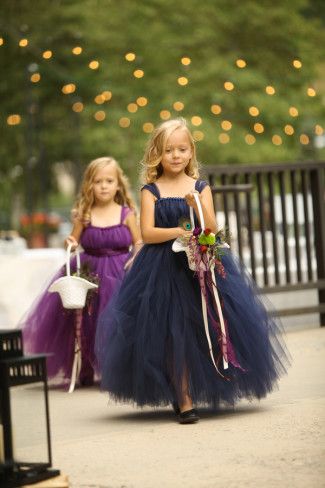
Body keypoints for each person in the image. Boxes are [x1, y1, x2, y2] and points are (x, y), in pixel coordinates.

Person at [95, 119, 288, 423]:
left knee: (203, 326)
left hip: (197, 264)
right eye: (168, 150)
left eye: (181, 149)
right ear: (157, 154)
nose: (175, 155)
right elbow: (148, 232)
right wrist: (180, 231)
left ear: (190, 152)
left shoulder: (200, 187)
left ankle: (199, 385)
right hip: (161, 269)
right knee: (172, 330)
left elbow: (210, 226)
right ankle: (183, 397)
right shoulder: (151, 190)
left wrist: (196, 205)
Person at [20, 156, 141, 387]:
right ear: (89, 185)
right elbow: (73, 241)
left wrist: (136, 256)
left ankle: (117, 369)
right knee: (85, 321)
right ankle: (84, 367)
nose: (104, 186)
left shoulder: (127, 213)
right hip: (89, 270)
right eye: (98, 181)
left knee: (117, 321)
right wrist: (70, 243)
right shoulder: (84, 213)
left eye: (109, 180)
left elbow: (138, 242)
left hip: (120, 270)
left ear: (118, 184)